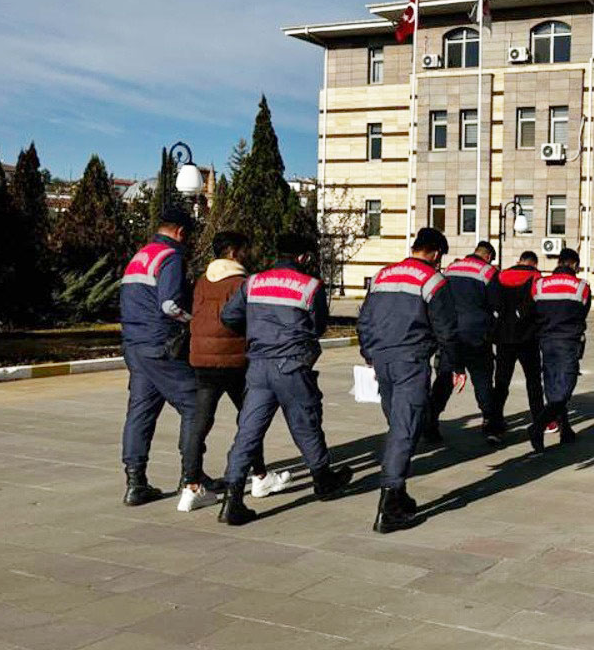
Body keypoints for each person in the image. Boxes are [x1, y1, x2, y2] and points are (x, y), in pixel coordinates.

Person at [215, 233, 353, 525]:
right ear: (303, 257)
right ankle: (322, 480)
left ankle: (233, 498)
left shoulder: (253, 282)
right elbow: (317, 326)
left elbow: (228, 316)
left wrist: (256, 332)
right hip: (291, 366)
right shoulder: (311, 286)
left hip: (258, 367)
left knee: (248, 432)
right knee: (306, 422)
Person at [357, 228, 463, 533]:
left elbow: (364, 318)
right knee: (405, 430)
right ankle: (389, 505)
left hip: (382, 362)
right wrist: (455, 365)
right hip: (410, 363)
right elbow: (446, 329)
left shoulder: (382, 275)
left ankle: (399, 495)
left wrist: (369, 354)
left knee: (399, 426)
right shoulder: (433, 280)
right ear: (436, 254)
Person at [178, 231, 290, 512]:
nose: (248, 253)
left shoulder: (202, 281)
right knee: (251, 419)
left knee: (199, 423)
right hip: (236, 360)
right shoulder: (243, 283)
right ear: (233, 252)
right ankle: (260, 476)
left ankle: (191, 487)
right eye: (245, 249)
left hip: (201, 360)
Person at [118, 206, 197, 506]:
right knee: (194, 405)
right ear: (180, 232)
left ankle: (135, 482)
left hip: (135, 347)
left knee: (140, 413)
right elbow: (169, 305)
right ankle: (191, 477)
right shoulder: (171, 257)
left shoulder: (140, 256)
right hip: (160, 345)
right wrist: (194, 320)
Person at [426, 241, 504, 444]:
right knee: (483, 380)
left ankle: (430, 422)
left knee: (444, 380)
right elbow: (497, 305)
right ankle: (489, 423)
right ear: (488, 257)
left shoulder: (452, 267)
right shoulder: (488, 272)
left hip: (450, 335)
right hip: (477, 336)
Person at [530, 247, 591, 452]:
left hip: (545, 341)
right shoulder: (581, 286)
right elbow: (583, 313)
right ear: (574, 264)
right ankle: (539, 425)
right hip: (568, 341)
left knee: (553, 386)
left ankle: (565, 429)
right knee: (565, 388)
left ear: (559, 262)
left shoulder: (539, 285)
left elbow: (533, 311)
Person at [492, 251, 546, 436]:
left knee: (501, 381)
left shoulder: (500, 276)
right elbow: (538, 306)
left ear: (519, 261)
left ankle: (495, 424)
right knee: (533, 381)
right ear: (535, 264)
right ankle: (540, 420)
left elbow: (493, 303)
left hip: (503, 338)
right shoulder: (536, 278)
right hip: (527, 338)